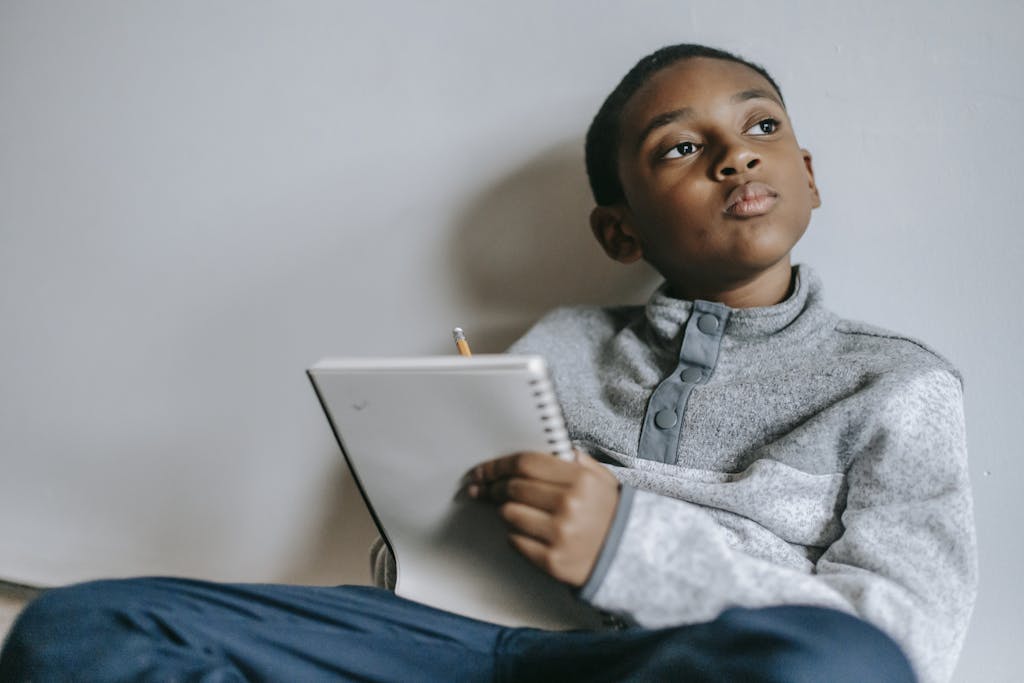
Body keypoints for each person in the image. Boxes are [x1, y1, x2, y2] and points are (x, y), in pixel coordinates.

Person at [0, 43, 975, 683]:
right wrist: (420, 530)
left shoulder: (894, 388)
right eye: (681, 147)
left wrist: (629, 546)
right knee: (78, 628)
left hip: (674, 666)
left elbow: (907, 645)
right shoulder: (560, 341)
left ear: (808, 173)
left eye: (762, 127)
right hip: (464, 648)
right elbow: (452, 551)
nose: (733, 157)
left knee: (841, 666)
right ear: (619, 230)